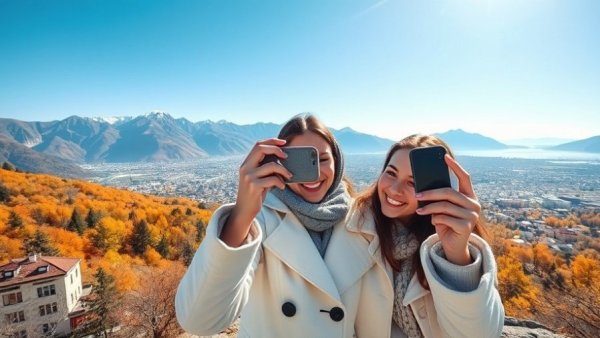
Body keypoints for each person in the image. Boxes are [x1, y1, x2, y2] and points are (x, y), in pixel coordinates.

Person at [176, 114, 392, 338]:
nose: (315, 172)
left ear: (338, 162)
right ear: (278, 164)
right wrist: (242, 214)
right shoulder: (259, 222)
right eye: (300, 161)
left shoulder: (362, 222)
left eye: (323, 159)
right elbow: (199, 321)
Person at [349, 134, 505, 338]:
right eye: (391, 173)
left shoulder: (460, 242)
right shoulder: (357, 227)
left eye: (412, 183)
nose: (395, 189)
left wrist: (456, 254)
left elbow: (482, 334)